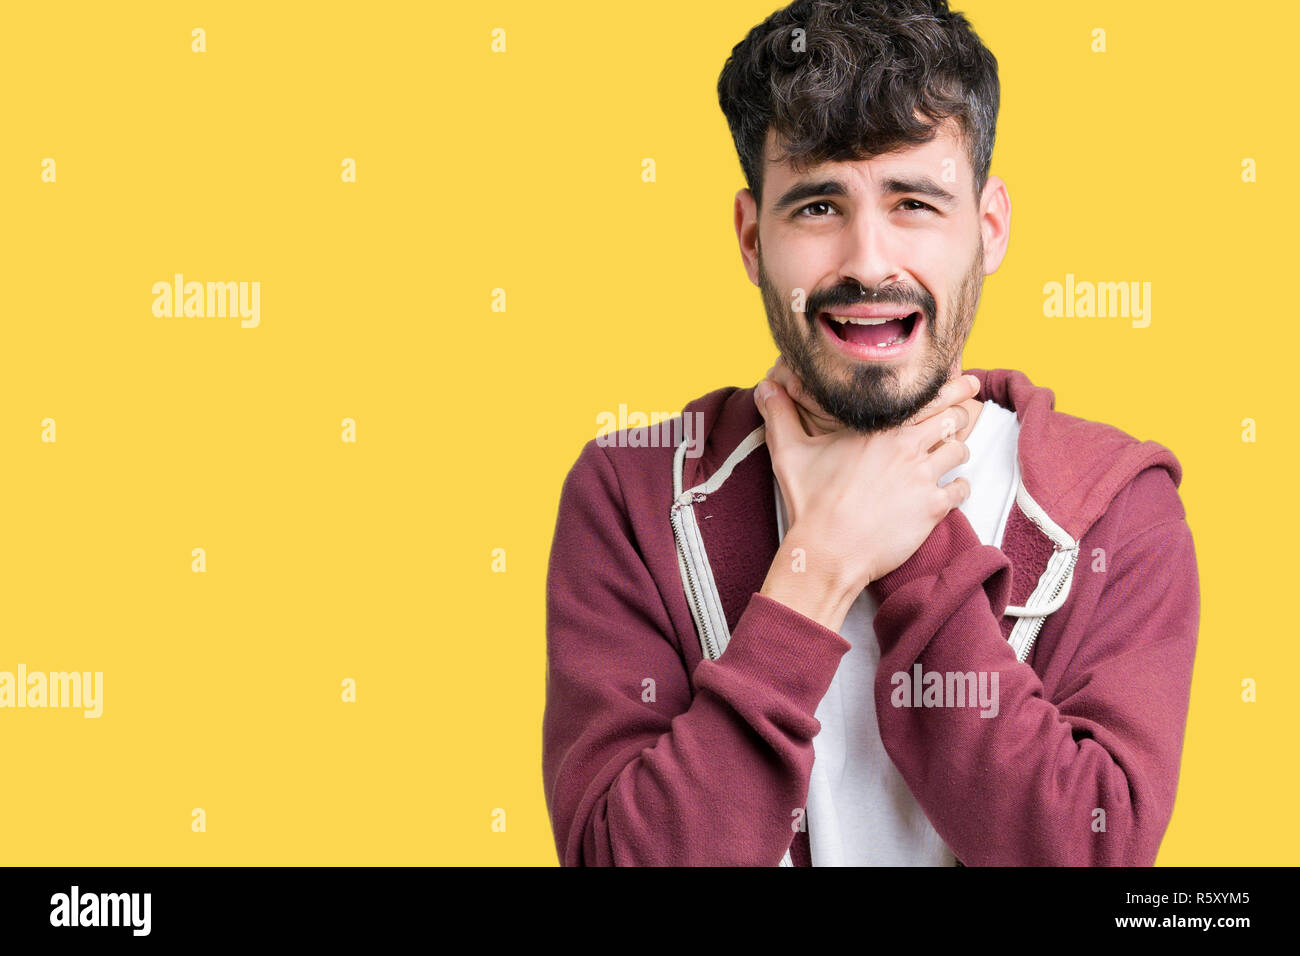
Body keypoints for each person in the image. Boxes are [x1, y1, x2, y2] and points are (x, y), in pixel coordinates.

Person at [542, 0, 1199, 866]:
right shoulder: (627, 493)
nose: (867, 261)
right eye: (818, 206)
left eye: (915, 202)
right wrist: (819, 565)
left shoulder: (1116, 508)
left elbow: (1086, 854)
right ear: (750, 237)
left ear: (989, 226)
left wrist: (915, 542)